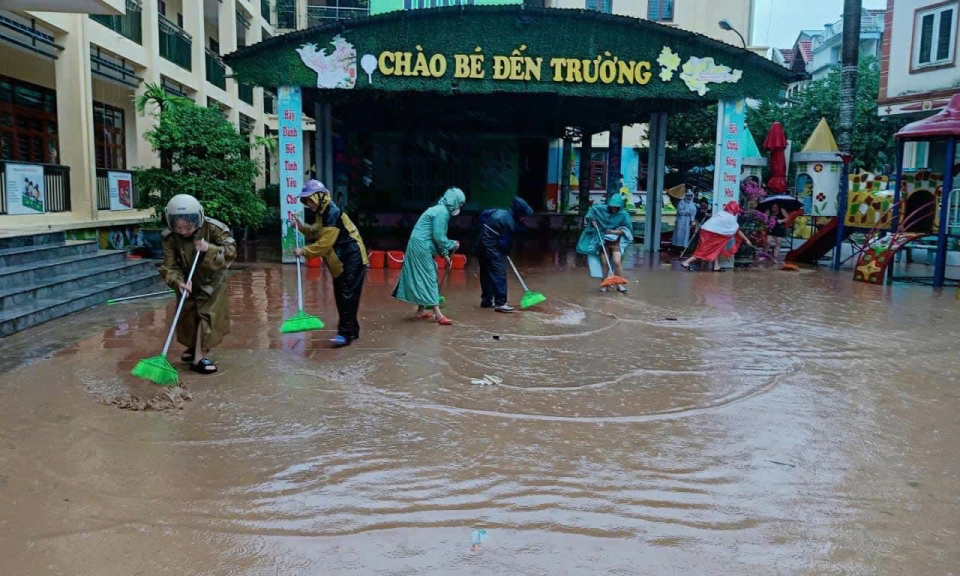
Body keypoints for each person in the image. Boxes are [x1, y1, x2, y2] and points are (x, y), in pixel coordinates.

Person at [158, 194, 236, 374]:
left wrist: (210, 248)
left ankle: (199, 357)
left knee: (206, 314)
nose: (184, 231)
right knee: (187, 314)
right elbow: (169, 265)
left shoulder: (213, 228)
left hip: (212, 278)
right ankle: (193, 348)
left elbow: (231, 251)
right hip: (187, 278)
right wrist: (178, 282)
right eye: (179, 227)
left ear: (197, 218)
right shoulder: (169, 237)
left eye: (188, 226)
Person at [293, 180, 368, 347]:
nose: (308, 203)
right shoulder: (322, 212)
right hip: (340, 259)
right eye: (306, 200)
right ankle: (352, 330)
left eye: (310, 199)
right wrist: (302, 227)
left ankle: (345, 334)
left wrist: (304, 251)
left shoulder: (332, 212)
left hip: (352, 257)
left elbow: (325, 243)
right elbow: (317, 230)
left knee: (347, 294)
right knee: (342, 294)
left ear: (319, 197)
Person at [393, 187, 465, 325]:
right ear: (454, 202)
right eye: (460, 203)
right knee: (430, 276)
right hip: (421, 246)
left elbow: (436, 238)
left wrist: (445, 255)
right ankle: (438, 315)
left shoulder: (439, 210)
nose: (460, 207)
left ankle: (420, 311)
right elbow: (439, 238)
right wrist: (452, 245)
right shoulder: (442, 213)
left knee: (427, 274)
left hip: (420, 245)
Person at [475, 196, 534, 313]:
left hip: (480, 245)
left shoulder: (500, 212)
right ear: (518, 213)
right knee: (499, 273)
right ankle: (501, 303)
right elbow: (505, 244)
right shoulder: (509, 222)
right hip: (490, 248)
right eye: (523, 216)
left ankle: (486, 300)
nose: (523, 219)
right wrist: (505, 250)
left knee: (486, 274)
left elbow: (483, 215)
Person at [576, 193, 634, 292]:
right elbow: (592, 210)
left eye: (616, 207)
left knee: (617, 262)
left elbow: (626, 231)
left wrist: (612, 232)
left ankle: (619, 285)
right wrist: (592, 220)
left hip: (616, 243)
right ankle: (605, 284)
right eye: (612, 207)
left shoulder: (624, 215)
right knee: (604, 264)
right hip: (603, 241)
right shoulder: (601, 209)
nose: (614, 209)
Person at [681, 201, 754, 272]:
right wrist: (747, 240)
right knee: (705, 249)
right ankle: (686, 262)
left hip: (706, 231)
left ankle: (716, 266)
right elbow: (737, 231)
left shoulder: (721, 213)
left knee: (716, 247)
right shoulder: (730, 218)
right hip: (710, 233)